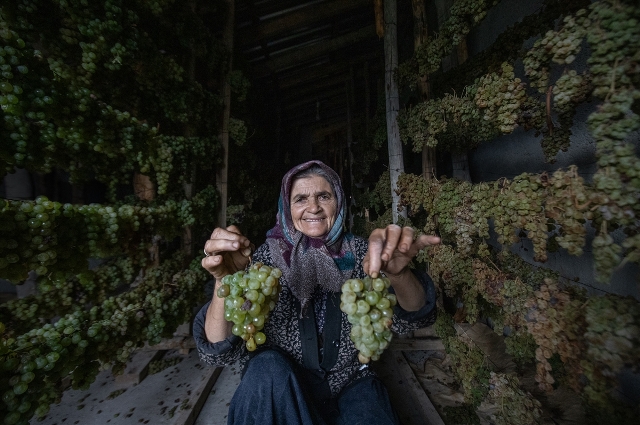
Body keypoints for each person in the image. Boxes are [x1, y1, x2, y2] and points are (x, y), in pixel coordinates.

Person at [194, 160, 440, 425]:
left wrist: (399, 274)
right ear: (287, 208)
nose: (313, 207)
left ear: (339, 202)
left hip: (351, 382)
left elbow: (416, 318)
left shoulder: (364, 253)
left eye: (324, 196)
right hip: (281, 384)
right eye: (300, 199)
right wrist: (224, 281)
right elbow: (216, 353)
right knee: (264, 370)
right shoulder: (261, 261)